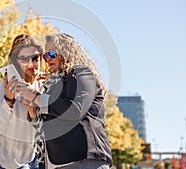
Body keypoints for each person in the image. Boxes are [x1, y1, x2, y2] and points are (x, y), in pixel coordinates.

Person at [13, 33, 112, 168]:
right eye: (45, 56)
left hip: (85, 160)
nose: (47, 59)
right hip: (57, 162)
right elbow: (46, 122)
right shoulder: (53, 85)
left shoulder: (82, 73)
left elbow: (75, 111)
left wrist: (34, 96)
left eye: (51, 54)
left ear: (65, 52)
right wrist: (32, 109)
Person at [0, 34, 44, 169]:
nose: (31, 63)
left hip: (36, 161)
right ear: (16, 61)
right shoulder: (8, 85)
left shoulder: (43, 86)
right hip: (11, 163)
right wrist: (9, 100)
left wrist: (34, 113)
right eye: (25, 59)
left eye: (35, 58)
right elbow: (0, 127)